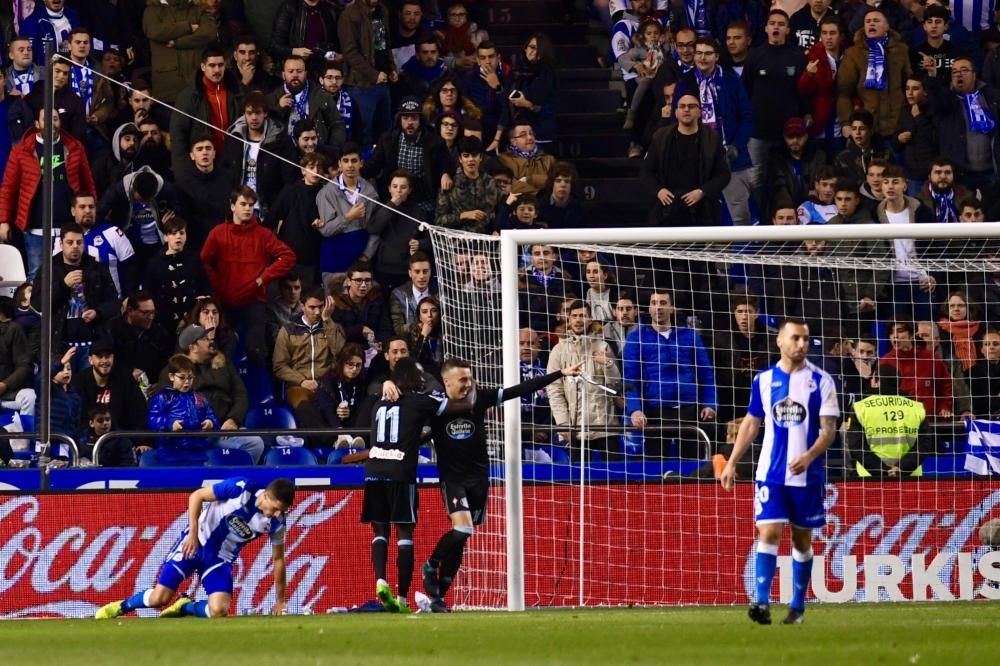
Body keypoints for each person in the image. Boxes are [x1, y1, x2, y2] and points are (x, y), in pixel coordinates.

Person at [415, 356, 583, 611]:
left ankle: (439, 597)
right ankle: (431, 563)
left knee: (463, 537)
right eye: (462, 379)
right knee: (462, 530)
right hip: (453, 479)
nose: (468, 384)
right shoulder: (436, 406)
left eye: (470, 378)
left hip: (480, 479)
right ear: (446, 381)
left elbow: (519, 390)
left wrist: (559, 373)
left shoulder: (479, 399)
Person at [720, 318, 839, 625]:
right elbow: (751, 423)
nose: (802, 344)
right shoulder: (762, 380)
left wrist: (809, 456)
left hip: (807, 477)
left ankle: (797, 606)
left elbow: (829, 430)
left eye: (806, 339)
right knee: (769, 532)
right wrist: (732, 462)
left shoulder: (822, 381)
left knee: (801, 541)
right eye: (796, 338)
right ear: (780, 342)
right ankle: (760, 602)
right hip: (770, 473)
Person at [95, 476, 294, 619]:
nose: (277, 514)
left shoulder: (277, 523)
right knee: (159, 598)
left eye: (282, 511)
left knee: (219, 611)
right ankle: (120, 607)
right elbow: (197, 496)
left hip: (220, 560)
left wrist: (281, 600)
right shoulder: (240, 488)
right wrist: (192, 533)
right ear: (266, 495)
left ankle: (185, 607)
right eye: (276, 508)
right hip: (195, 544)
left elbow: (278, 560)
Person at [362, 357, 463, 613]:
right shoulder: (419, 401)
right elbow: (451, 408)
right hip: (400, 471)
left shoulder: (378, 404)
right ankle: (403, 597)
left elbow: (402, 433)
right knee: (405, 533)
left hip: (373, 468)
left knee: (380, 532)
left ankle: (380, 580)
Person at [201, 186, 297, 367]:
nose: (247, 209)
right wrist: (218, 286)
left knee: (256, 350)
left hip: (254, 300)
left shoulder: (263, 234)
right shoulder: (218, 233)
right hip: (225, 301)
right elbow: (205, 260)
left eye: (251, 205)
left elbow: (288, 256)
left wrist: (262, 279)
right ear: (232, 206)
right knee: (220, 349)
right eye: (243, 204)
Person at [0, 108, 95, 283]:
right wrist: (3, 220)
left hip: (68, 227)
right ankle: (36, 311)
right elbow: (8, 188)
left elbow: (87, 184)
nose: (52, 123)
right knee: (37, 276)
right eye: (46, 119)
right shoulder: (21, 150)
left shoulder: (74, 147)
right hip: (35, 228)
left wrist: (89, 212)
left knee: (72, 275)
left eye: (56, 119)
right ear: (37, 124)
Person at [623, 289, 718, 462]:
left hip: (689, 410)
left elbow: (706, 373)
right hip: (655, 412)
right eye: (654, 303)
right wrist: (635, 409)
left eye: (663, 303)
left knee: (692, 469)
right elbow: (630, 379)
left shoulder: (690, 336)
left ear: (672, 308)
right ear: (649, 308)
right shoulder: (636, 338)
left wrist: (710, 403)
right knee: (656, 470)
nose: (658, 308)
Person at [640, 93, 731, 226]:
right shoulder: (661, 137)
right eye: (682, 106)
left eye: (691, 106)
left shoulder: (712, 138)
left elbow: (724, 175)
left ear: (700, 112)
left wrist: (702, 191)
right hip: (667, 209)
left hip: (701, 209)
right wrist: (658, 190)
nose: (686, 109)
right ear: (676, 112)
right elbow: (645, 172)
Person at [835, 7, 911, 142]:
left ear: (887, 26)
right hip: (867, 127)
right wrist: (846, 123)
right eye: (868, 21)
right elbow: (844, 93)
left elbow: (908, 83)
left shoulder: (901, 50)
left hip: (898, 125)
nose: (871, 24)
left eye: (876, 21)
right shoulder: (853, 53)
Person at [847, 365, 930, 479]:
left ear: (877, 381)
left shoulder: (860, 408)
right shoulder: (917, 408)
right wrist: (901, 468)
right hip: (910, 477)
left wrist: (883, 471)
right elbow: (924, 445)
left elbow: (856, 447)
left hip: (869, 478)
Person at [272, 286, 347, 408]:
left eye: (321, 306)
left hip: (327, 386)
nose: (317, 312)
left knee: (330, 408)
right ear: (302, 306)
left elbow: (340, 354)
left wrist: (327, 320)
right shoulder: (288, 330)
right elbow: (279, 366)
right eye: (312, 307)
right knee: (305, 406)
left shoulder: (333, 327)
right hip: (298, 386)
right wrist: (302, 381)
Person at [337, 0, 397, 148]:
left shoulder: (383, 10)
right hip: (360, 85)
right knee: (364, 135)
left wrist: (392, 67)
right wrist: (373, 74)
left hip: (383, 81)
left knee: (386, 132)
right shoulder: (349, 15)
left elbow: (385, 44)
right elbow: (350, 53)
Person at [143, 353, 220, 466]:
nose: (187, 382)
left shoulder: (199, 397)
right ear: (171, 376)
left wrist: (210, 422)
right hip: (170, 454)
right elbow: (153, 419)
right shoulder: (163, 396)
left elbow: (211, 415)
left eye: (190, 378)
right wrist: (170, 423)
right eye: (182, 377)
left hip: (197, 454)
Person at [143, 0, 218, 104]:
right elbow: (155, 31)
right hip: (167, 87)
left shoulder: (197, 9)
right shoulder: (152, 10)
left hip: (196, 84)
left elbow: (209, 32)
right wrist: (188, 27)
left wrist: (178, 42)